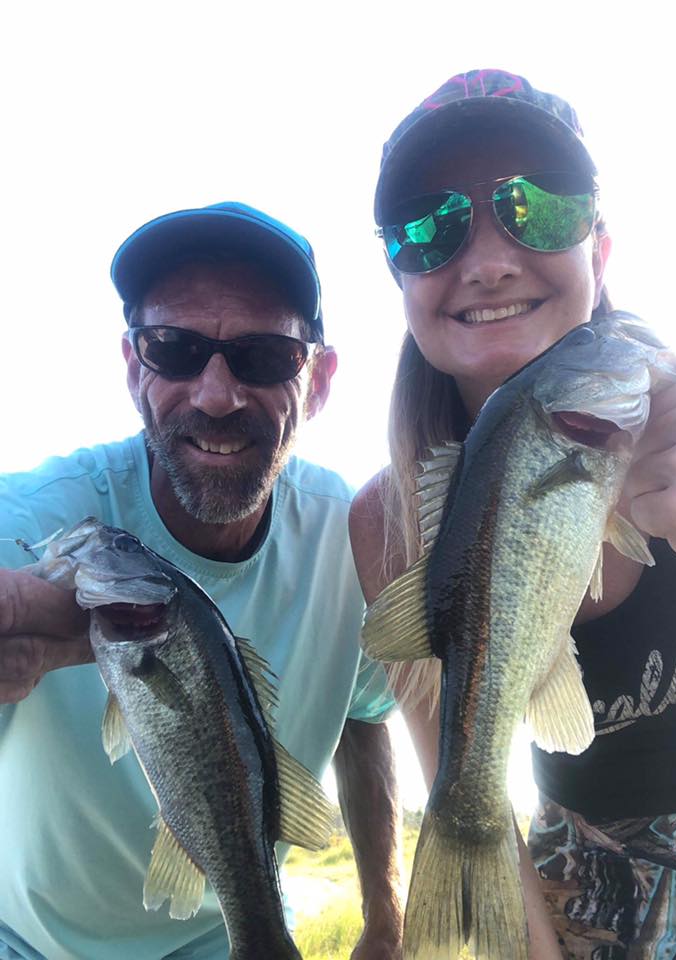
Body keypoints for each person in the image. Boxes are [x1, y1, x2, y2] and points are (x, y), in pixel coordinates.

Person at [350, 68, 676, 959]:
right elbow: (460, 789)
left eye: (538, 208)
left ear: (598, 248)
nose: (484, 259)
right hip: (570, 881)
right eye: (429, 226)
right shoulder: (386, 522)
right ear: (399, 276)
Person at [0, 202, 403, 960]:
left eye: (265, 358)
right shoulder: (32, 521)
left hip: (229, 937)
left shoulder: (351, 538)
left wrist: (385, 917)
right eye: (174, 348)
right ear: (132, 366)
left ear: (317, 382)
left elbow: (365, 712)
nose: (216, 395)